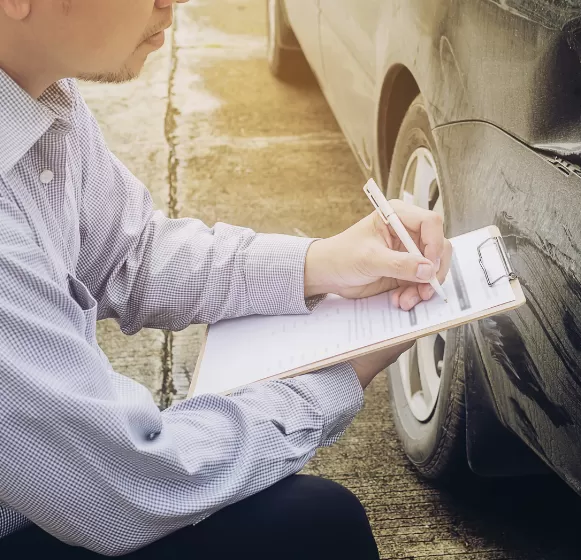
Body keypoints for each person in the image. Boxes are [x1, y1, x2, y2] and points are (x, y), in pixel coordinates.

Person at [0, 0, 452, 557]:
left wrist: (322, 263)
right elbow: (128, 484)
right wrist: (334, 378)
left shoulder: (38, 95)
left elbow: (130, 253)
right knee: (317, 528)